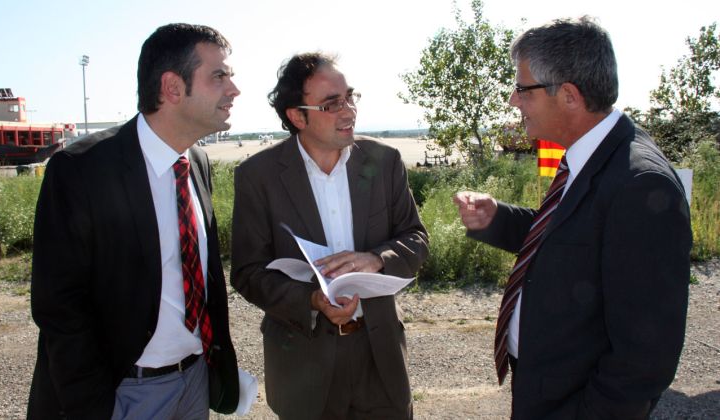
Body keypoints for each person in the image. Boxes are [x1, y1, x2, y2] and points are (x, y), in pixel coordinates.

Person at [453, 16, 693, 419]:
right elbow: (575, 236)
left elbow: (644, 359)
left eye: (522, 88)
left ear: (567, 95)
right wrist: (499, 220)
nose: (514, 101)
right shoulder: (594, 155)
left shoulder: (640, 183)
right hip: (546, 390)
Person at [27, 23, 241, 419]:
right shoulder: (81, 169)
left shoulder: (196, 162)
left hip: (194, 383)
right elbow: (59, 305)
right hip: (123, 393)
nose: (234, 89)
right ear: (173, 88)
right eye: (219, 76)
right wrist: (94, 406)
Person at [231, 52, 428, 419]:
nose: (349, 110)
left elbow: (415, 238)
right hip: (302, 365)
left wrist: (377, 260)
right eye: (331, 103)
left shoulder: (384, 162)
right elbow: (247, 272)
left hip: (379, 356)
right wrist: (311, 299)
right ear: (296, 116)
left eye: (350, 97)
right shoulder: (258, 176)